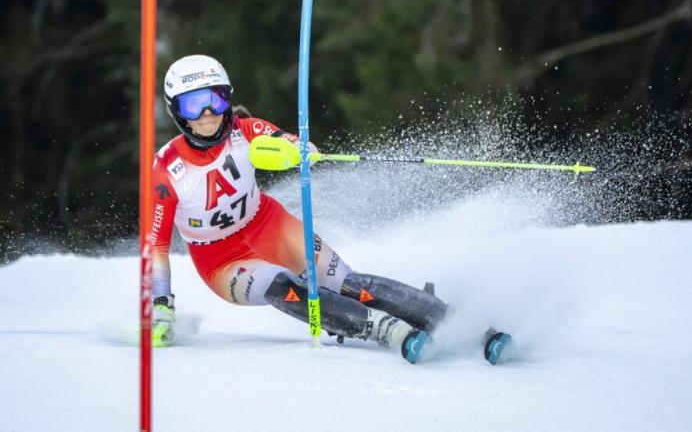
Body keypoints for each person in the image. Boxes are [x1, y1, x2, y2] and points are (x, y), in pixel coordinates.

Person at [149, 54, 510, 364]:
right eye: (193, 105)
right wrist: (161, 303)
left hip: (269, 225)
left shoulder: (246, 130)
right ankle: (385, 329)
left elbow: (287, 140)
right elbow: (157, 246)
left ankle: (460, 324)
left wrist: (298, 150)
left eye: (215, 99)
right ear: (177, 112)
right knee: (282, 285)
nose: (208, 113)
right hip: (221, 260)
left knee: (347, 283)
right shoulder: (167, 169)